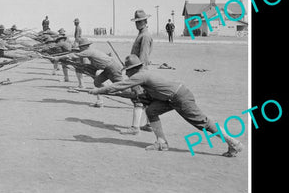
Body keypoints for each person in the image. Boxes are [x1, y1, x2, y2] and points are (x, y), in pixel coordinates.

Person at [89, 54, 243, 157]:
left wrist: (99, 90)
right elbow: (135, 93)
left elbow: (120, 86)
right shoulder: (144, 73)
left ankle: (233, 143)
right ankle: (161, 143)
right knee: (152, 110)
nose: (126, 74)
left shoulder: (140, 75)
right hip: (171, 98)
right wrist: (106, 92)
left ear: (132, 69)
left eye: (127, 71)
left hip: (180, 97)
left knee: (203, 123)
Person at [53, 38, 123, 107]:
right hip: (107, 69)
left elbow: (74, 55)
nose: (80, 49)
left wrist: (59, 57)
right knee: (97, 82)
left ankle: (132, 97)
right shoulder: (92, 51)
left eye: (81, 47)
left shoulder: (88, 51)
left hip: (112, 68)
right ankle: (100, 101)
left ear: (84, 46)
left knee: (122, 86)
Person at [128, 9, 154, 134]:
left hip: (140, 71)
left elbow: (143, 57)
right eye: (136, 22)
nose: (137, 24)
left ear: (145, 21)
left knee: (138, 97)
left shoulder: (145, 36)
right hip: (139, 70)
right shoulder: (141, 34)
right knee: (147, 98)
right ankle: (149, 124)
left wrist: (138, 74)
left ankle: (135, 128)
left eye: (140, 21)